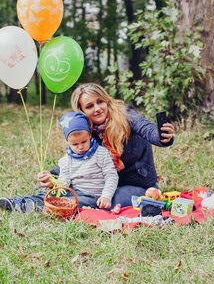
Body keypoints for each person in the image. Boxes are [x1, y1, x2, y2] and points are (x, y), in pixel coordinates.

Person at [38, 83, 175, 207]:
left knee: (109, 201)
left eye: (99, 102)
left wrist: (161, 136)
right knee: (78, 189)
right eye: (90, 106)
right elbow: (76, 160)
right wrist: (51, 176)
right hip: (106, 184)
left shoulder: (125, 114)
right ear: (82, 112)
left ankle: (68, 202)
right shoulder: (86, 133)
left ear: (106, 100)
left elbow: (145, 127)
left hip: (136, 183)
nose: (97, 109)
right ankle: (40, 201)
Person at [0, 111, 118, 212]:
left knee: (73, 202)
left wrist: (106, 196)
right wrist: (54, 184)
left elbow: (111, 176)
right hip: (73, 191)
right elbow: (65, 180)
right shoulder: (67, 159)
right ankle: (21, 202)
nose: (80, 147)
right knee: (53, 194)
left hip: (93, 196)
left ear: (90, 136)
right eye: (75, 144)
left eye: (84, 142)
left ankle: (38, 206)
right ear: (67, 141)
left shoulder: (101, 153)